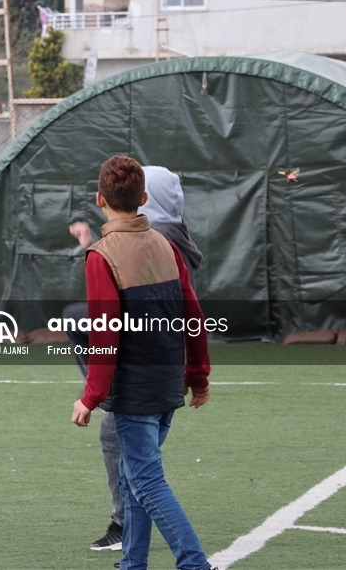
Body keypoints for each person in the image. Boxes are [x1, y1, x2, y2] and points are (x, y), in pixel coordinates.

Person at [70, 155, 213, 570]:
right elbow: (194, 317)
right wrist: (198, 377)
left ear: (100, 199)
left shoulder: (101, 255)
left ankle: (195, 564)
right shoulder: (167, 246)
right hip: (169, 387)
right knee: (135, 482)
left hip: (134, 394)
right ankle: (133, 564)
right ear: (144, 198)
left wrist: (91, 396)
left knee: (148, 483)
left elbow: (104, 334)